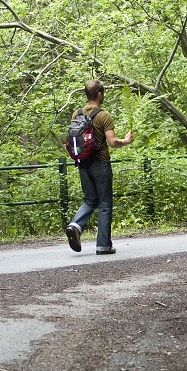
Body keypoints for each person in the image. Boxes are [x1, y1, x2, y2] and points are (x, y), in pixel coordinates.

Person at [66, 79, 134, 255]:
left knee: (90, 200)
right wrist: (126, 141)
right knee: (104, 204)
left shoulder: (76, 113)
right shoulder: (104, 116)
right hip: (101, 163)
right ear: (100, 94)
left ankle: (75, 225)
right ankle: (103, 245)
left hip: (82, 164)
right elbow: (112, 142)